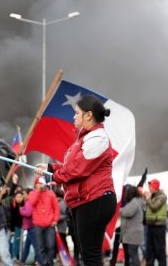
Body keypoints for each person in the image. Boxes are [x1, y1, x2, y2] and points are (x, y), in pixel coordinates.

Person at [35, 94, 117, 266]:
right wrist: (50, 168)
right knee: (87, 255)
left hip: (95, 200)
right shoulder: (87, 138)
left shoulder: (98, 138)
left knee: (90, 256)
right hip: (87, 200)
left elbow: (76, 169)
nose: (73, 116)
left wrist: (55, 175)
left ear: (88, 115)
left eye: (76, 112)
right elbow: (71, 166)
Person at [28, 176, 59, 266]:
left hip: (50, 225)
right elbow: (32, 202)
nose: (41, 185)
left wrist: (55, 220)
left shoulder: (51, 194)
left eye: (42, 183)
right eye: (39, 183)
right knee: (41, 247)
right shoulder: (32, 193)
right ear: (36, 184)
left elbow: (56, 208)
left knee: (51, 245)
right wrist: (38, 191)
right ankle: (45, 263)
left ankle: (50, 263)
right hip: (38, 225)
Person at [143, 179, 167, 266]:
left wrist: (148, 198)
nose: (149, 188)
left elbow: (154, 207)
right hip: (150, 226)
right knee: (149, 250)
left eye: (150, 186)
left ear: (155, 187)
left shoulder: (162, 196)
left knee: (160, 250)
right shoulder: (152, 196)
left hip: (159, 227)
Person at [120, 185, 144, 266]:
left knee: (132, 252)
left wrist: (120, 211)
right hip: (135, 232)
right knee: (133, 252)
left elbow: (127, 212)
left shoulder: (134, 202)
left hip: (133, 233)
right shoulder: (138, 201)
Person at [19, 188, 40, 265]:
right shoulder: (29, 201)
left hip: (31, 227)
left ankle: (40, 261)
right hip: (30, 227)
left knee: (36, 246)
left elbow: (28, 213)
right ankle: (22, 261)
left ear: (28, 194)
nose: (23, 196)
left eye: (24, 194)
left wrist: (21, 210)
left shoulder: (29, 202)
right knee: (27, 245)